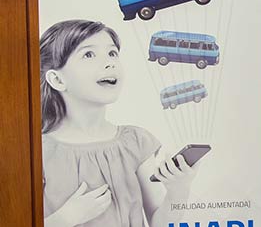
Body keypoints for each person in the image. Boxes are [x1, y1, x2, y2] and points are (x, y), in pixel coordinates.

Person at [41, 19, 199, 227]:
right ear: (57, 80)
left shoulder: (136, 142)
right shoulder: (37, 151)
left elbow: (159, 223)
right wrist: (65, 219)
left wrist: (179, 190)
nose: (110, 62)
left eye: (112, 53)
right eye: (88, 54)